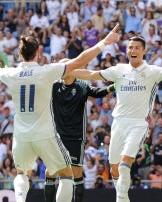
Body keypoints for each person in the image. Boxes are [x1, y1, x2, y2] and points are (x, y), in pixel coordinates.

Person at [0, 24, 119, 202]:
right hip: (45, 135)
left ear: (20, 54)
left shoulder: (11, 73)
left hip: (21, 136)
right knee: (67, 176)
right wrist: (105, 42)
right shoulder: (46, 72)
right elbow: (79, 61)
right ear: (38, 52)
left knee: (21, 173)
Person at [68, 36, 162, 202]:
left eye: (136, 47)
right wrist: (65, 70)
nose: (132, 50)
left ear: (144, 51)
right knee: (114, 168)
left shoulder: (152, 71)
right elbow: (91, 74)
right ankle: (123, 196)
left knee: (124, 163)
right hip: (118, 123)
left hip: (138, 124)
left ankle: (121, 199)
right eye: (130, 47)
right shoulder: (119, 70)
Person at [45, 58, 115, 202]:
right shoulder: (53, 86)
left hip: (76, 137)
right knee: (50, 172)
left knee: (77, 172)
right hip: (57, 136)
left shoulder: (82, 86)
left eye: (64, 67)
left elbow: (98, 92)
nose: (61, 70)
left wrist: (113, 86)